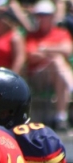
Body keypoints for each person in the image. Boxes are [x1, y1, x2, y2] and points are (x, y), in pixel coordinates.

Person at [26, 0, 73, 131]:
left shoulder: (61, 33)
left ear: (52, 16)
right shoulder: (32, 35)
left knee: (59, 69)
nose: (42, 18)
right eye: (39, 15)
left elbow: (68, 50)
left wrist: (44, 49)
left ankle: (61, 118)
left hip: (57, 76)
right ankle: (72, 86)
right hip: (38, 77)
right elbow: (31, 55)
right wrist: (54, 51)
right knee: (57, 60)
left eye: (45, 14)